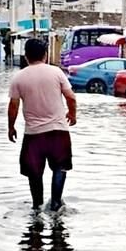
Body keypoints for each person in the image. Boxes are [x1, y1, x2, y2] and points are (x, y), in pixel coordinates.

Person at [8, 38, 77, 212]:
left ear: (26, 56)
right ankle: (55, 203)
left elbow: (13, 106)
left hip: (33, 135)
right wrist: (72, 114)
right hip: (58, 131)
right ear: (45, 55)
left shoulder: (19, 77)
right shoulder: (56, 73)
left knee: (34, 173)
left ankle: (37, 206)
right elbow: (71, 97)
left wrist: (11, 127)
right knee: (60, 168)